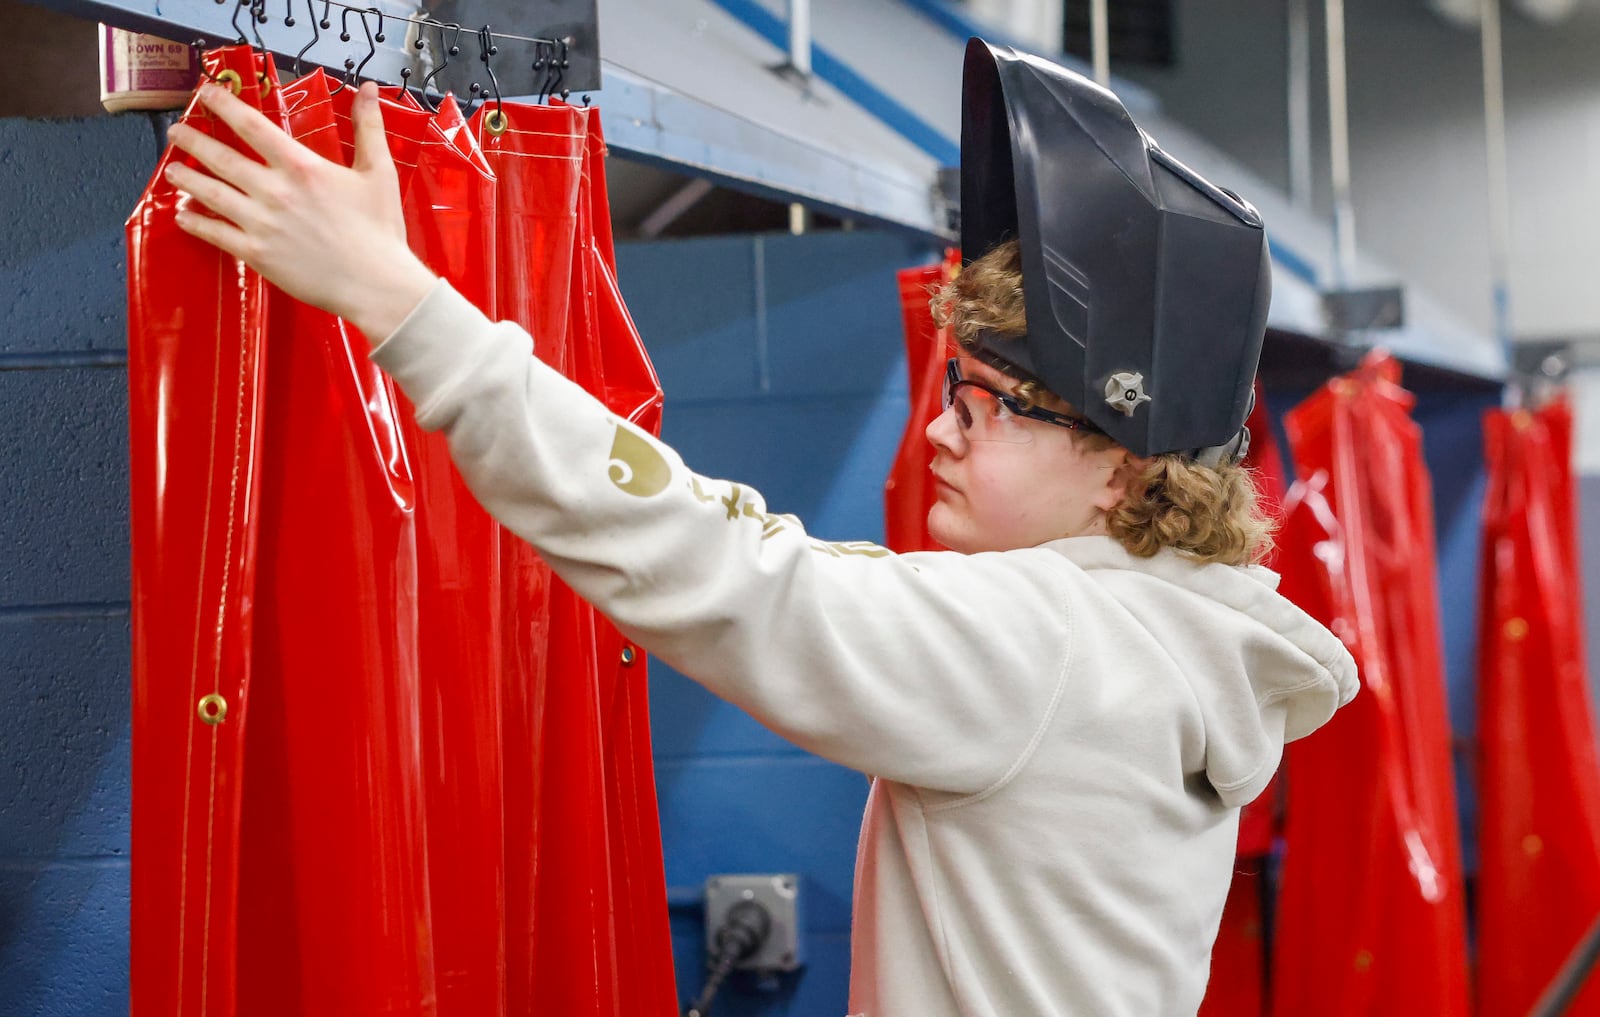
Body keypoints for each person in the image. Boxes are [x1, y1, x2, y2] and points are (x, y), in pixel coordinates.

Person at [162, 38, 1357, 1017]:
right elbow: (790, 565)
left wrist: (396, 296)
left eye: (986, 408)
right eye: (952, 392)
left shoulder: (1049, 646)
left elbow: (722, 571)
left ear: (1118, 466)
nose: (940, 433)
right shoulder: (1157, 639)